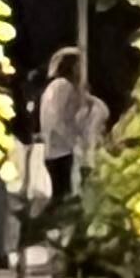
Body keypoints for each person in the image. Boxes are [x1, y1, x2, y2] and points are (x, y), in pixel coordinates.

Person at [38, 47, 105, 207]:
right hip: (61, 149)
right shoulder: (62, 86)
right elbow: (56, 119)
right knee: (64, 194)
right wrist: (73, 141)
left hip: (56, 148)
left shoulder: (57, 86)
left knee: (61, 192)